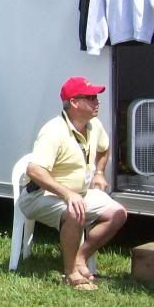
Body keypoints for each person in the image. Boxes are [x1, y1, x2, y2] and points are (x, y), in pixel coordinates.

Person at [20, 76, 128, 290]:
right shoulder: (53, 131)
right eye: (90, 97)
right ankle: (71, 273)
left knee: (119, 213)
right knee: (74, 211)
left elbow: (103, 148)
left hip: (80, 192)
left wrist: (99, 172)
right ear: (73, 102)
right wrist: (67, 194)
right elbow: (34, 170)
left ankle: (80, 257)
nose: (97, 101)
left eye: (96, 97)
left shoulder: (94, 125)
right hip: (40, 195)